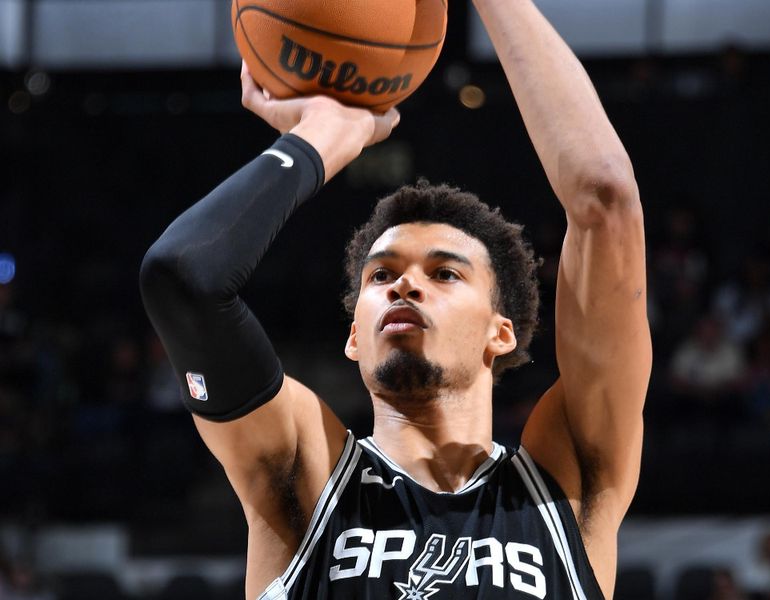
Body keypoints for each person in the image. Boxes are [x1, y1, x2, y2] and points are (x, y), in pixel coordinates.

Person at [140, 1, 650, 599]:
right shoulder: (306, 476)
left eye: (445, 274)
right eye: (380, 277)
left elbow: (606, 198)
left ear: (501, 331)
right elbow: (184, 277)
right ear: (354, 336)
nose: (404, 285)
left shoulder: (567, 484)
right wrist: (325, 135)